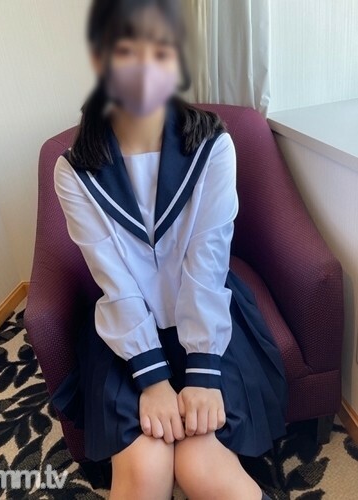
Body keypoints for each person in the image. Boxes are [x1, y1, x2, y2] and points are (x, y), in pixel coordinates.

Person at [51, 0, 288, 498]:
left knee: (201, 466)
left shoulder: (213, 145)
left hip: (207, 319)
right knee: (145, 467)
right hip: (127, 330)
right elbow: (113, 277)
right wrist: (153, 379)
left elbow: (207, 262)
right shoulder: (72, 169)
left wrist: (202, 373)